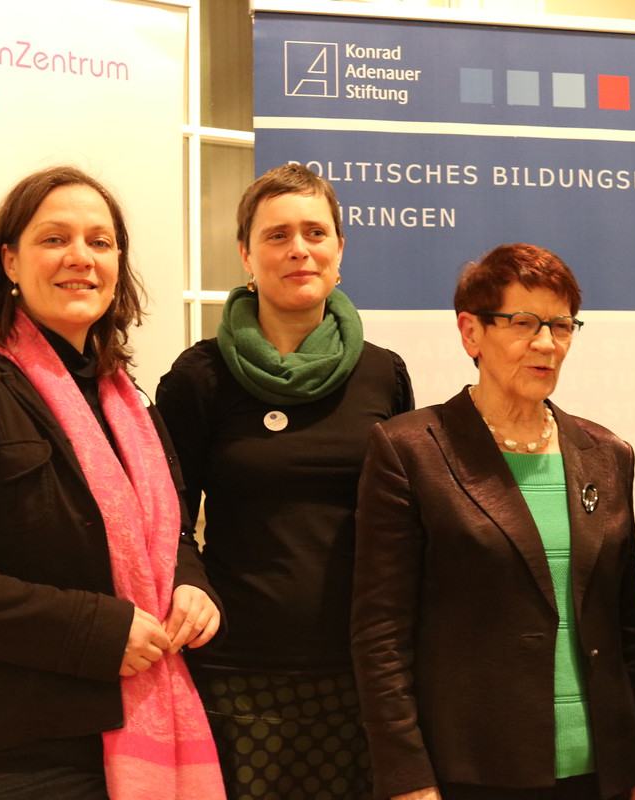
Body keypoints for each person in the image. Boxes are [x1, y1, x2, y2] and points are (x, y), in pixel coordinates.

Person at [0, 166, 224, 800]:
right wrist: (94, 631)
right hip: (17, 759)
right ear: (9, 262)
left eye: (100, 242)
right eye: (54, 239)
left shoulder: (132, 404)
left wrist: (191, 586)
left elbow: (170, 537)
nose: (81, 258)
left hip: (138, 737)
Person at [351, 243, 635, 800]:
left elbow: (625, 629)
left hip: (601, 772)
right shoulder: (410, 450)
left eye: (561, 325)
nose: (546, 344)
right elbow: (381, 634)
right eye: (523, 323)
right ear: (470, 332)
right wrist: (406, 775)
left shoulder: (607, 453)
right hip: (471, 771)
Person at [155, 163, 414, 800]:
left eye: (315, 232)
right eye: (277, 235)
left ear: (339, 250)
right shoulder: (199, 378)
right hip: (239, 671)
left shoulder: (383, 375)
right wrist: (188, 580)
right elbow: (164, 516)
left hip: (363, 669)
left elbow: (404, 525)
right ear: (246, 256)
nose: (299, 249)